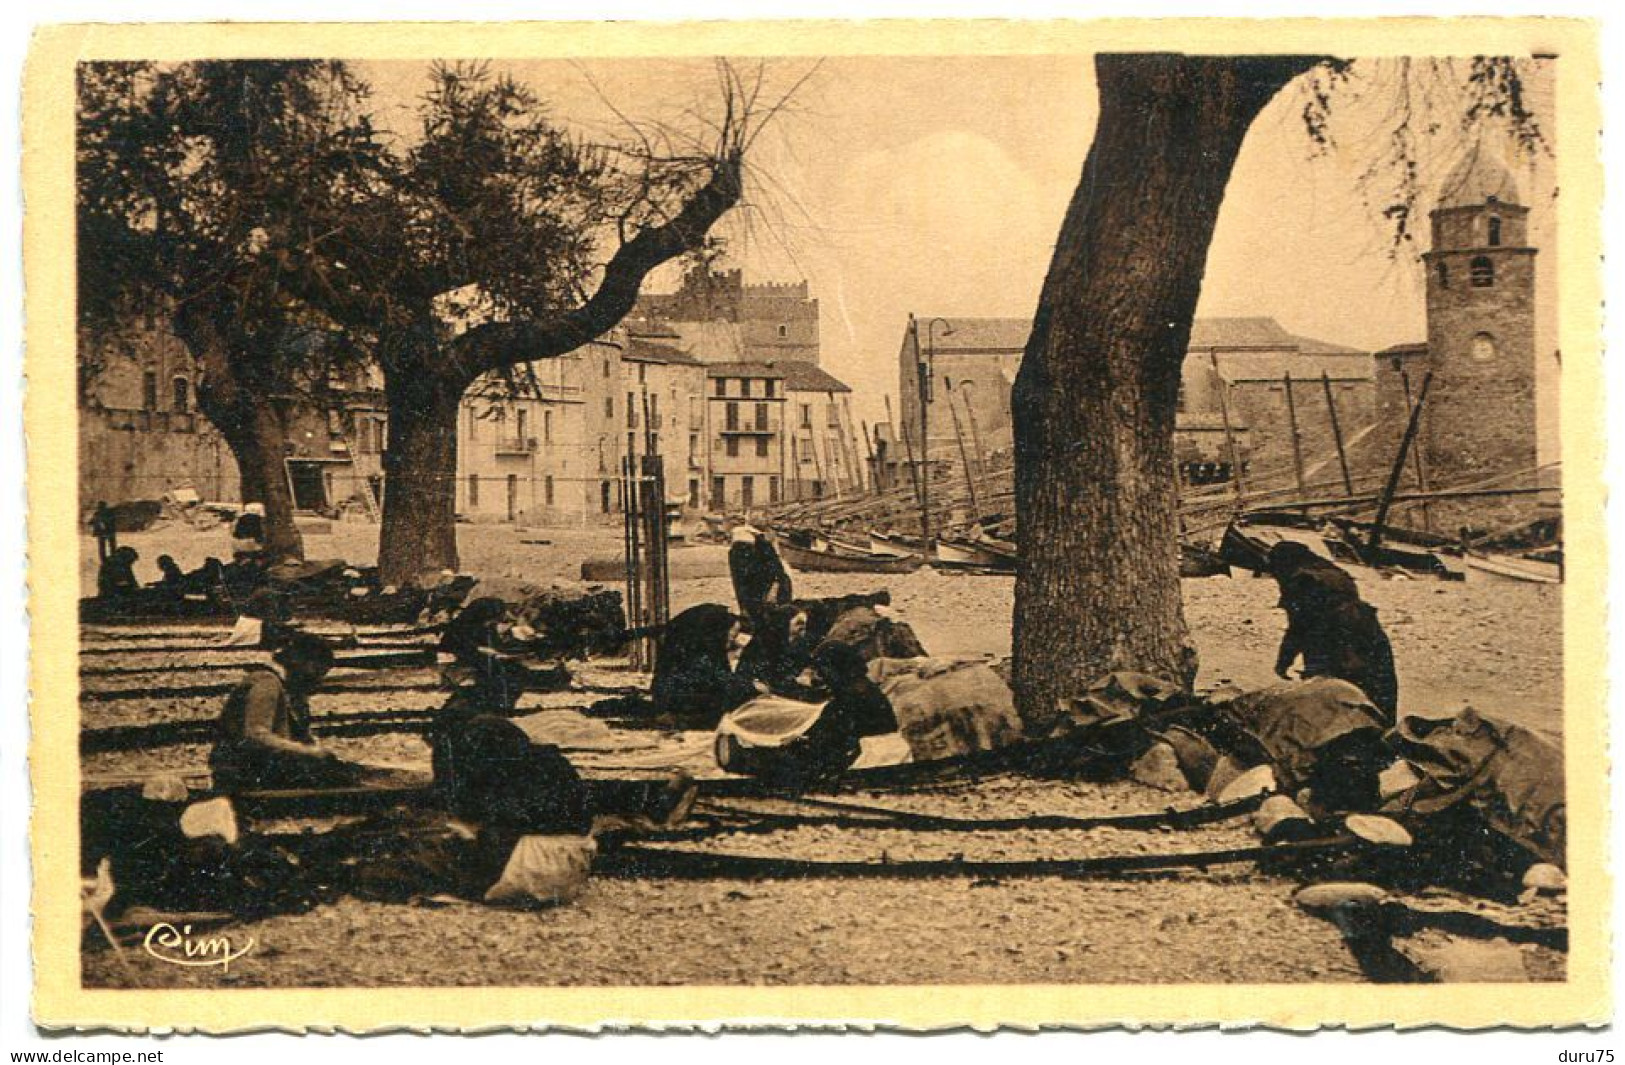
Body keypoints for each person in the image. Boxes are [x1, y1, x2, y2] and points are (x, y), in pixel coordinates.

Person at [210, 631, 359, 791]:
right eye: (316, 670)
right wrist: (308, 752)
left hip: (257, 766)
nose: (317, 680)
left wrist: (315, 749)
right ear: (299, 661)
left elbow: (301, 736)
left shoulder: (291, 692)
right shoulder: (267, 683)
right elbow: (256, 735)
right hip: (239, 770)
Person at [1267, 542, 1399, 721]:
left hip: (1332, 642)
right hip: (1370, 635)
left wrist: (1283, 662)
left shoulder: (1300, 580)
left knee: (1329, 704)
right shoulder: (1335, 572)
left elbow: (1298, 628)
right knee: (1377, 700)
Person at [650, 603, 761, 725]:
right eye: (731, 636)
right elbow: (722, 680)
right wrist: (751, 687)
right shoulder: (701, 652)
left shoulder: (703, 640)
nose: (732, 641)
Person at [734, 604, 818, 698]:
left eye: (804, 624)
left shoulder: (800, 645)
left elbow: (806, 666)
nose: (803, 627)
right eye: (799, 623)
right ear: (784, 623)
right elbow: (748, 675)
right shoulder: (763, 643)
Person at [728, 525, 792, 631]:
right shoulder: (742, 549)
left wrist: (774, 588)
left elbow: (778, 572)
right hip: (758, 591)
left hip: (770, 590)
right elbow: (742, 583)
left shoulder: (763, 547)